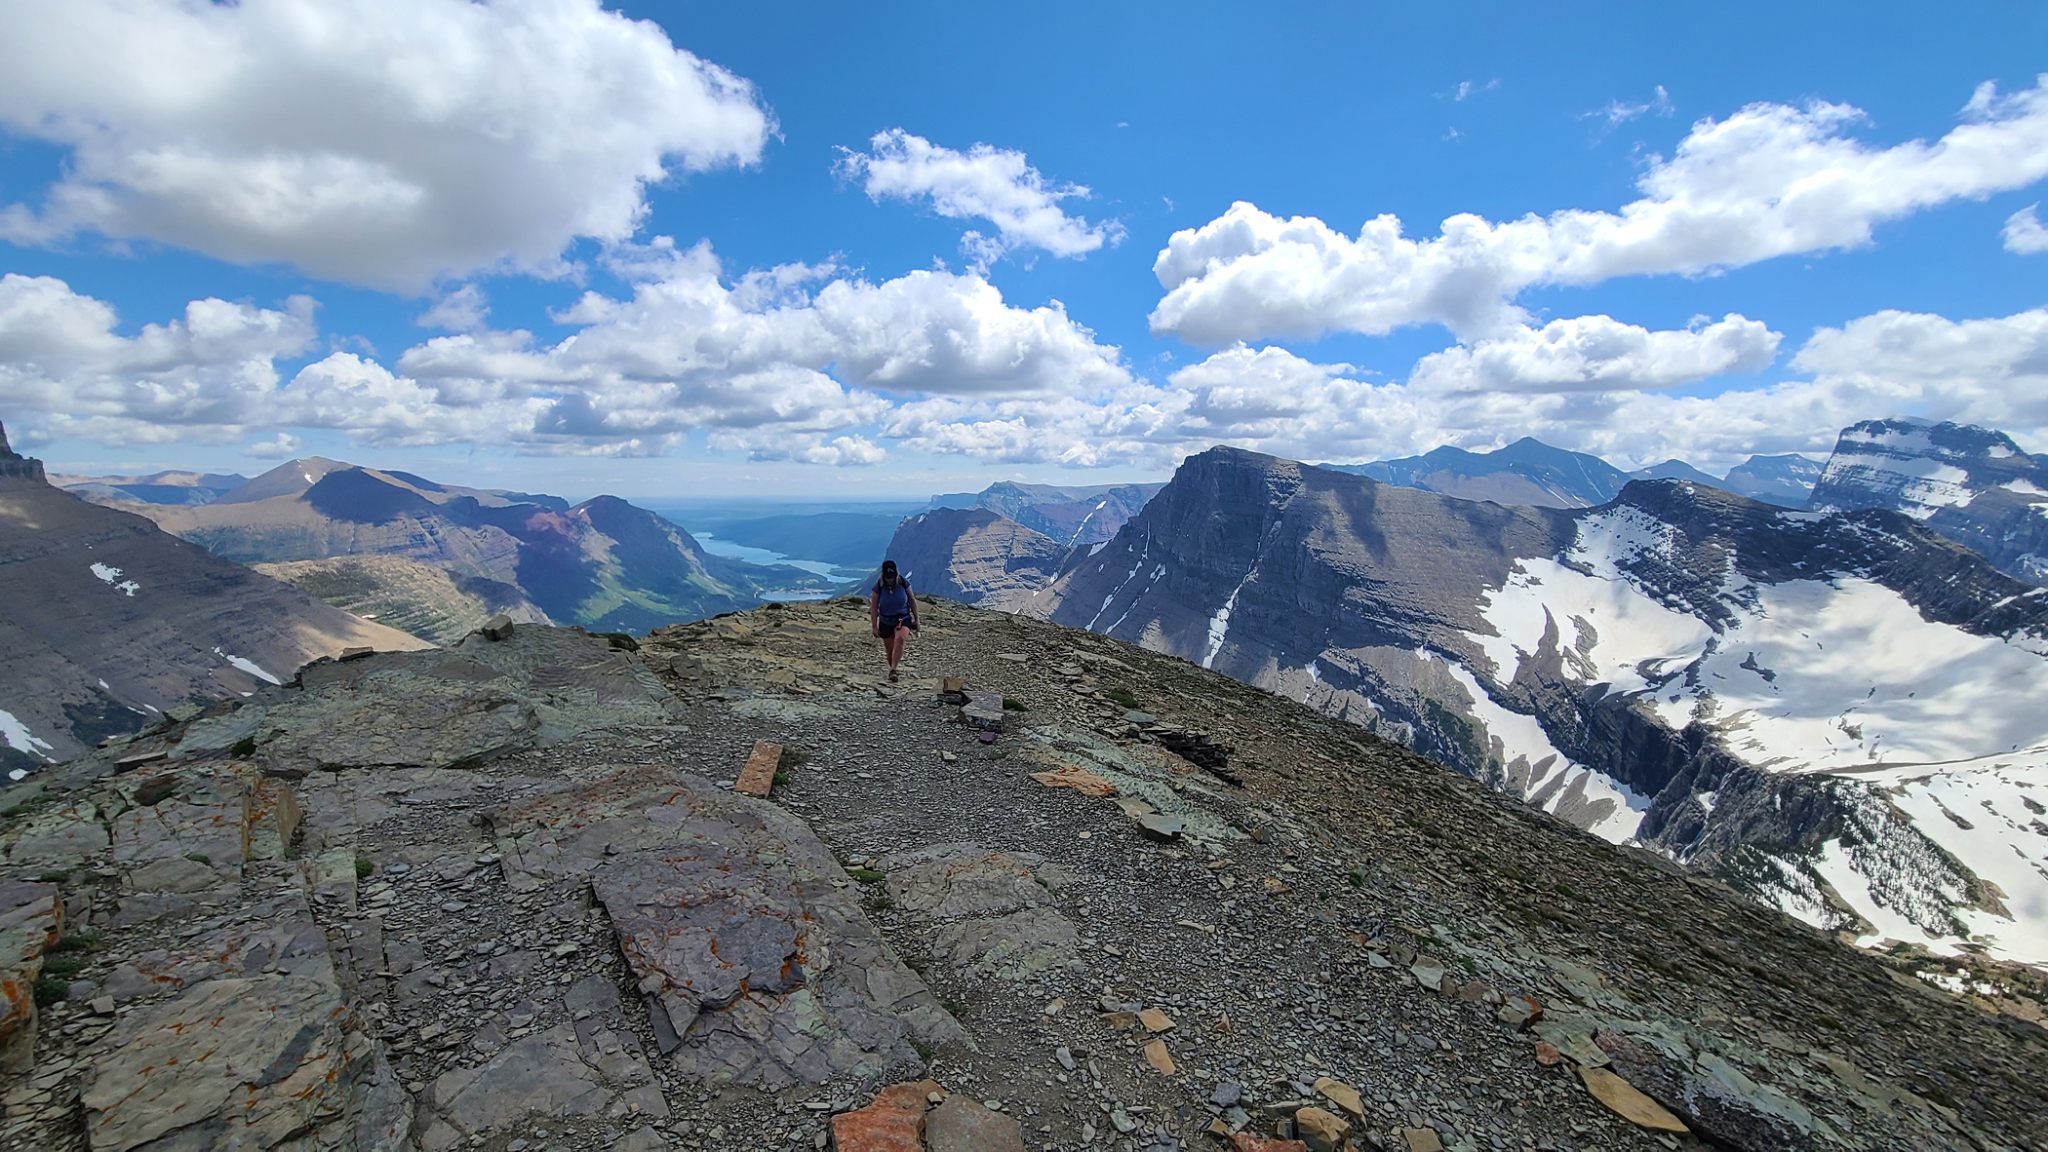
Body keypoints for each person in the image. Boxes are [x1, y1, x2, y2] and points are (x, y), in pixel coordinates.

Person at [869, 559, 919, 682]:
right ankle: (892, 669)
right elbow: (874, 608)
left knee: (900, 639)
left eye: (892, 577)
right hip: (886, 620)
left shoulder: (903, 583)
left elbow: (912, 600)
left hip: (903, 618)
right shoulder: (878, 587)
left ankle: (893, 669)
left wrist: (916, 619)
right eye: (888, 577)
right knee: (890, 649)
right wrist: (874, 626)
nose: (890, 579)